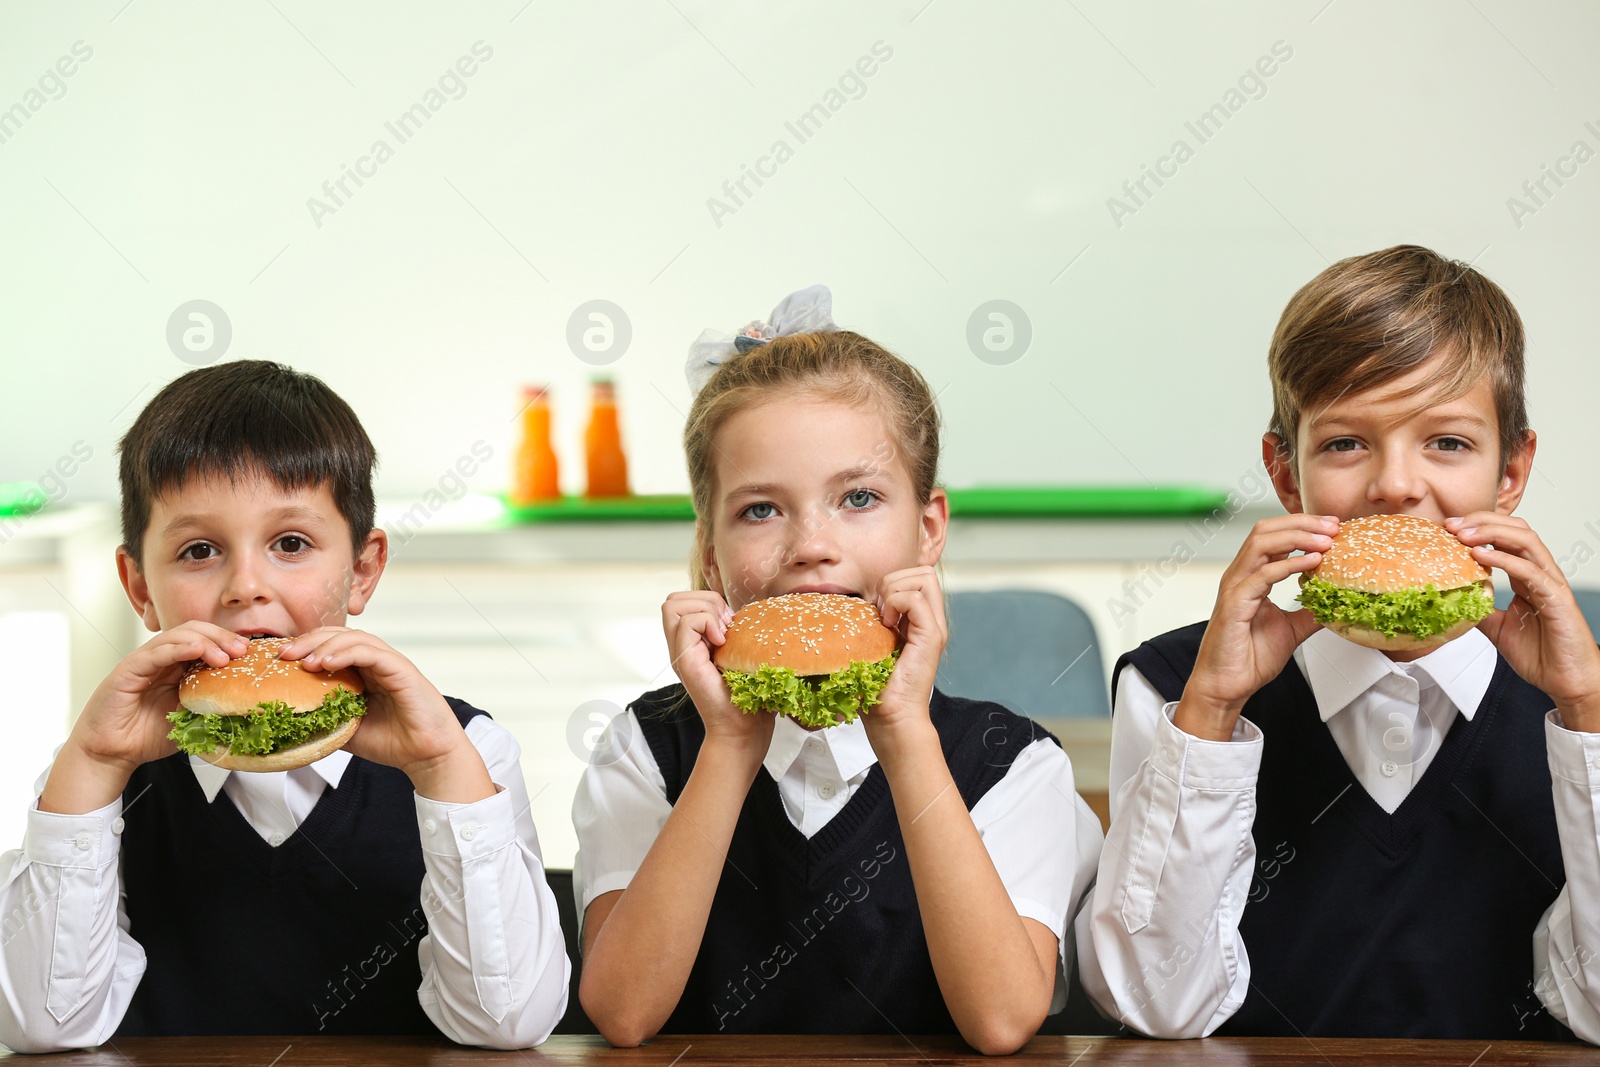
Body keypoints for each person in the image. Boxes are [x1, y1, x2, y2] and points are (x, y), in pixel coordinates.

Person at [1083, 245, 1600, 1041]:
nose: (1395, 484)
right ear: (1286, 474)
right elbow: (1156, 1004)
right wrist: (1213, 711)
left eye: (1449, 443)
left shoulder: (1583, 697)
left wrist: (1587, 714)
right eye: (1346, 443)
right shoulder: (1173, 684)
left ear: (1512, 472)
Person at [572, 287, 1103, 1054]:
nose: (811, 545)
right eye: (762, 509)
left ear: (928, 530)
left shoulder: (1015, 764)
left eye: (858, 497)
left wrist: (904, 733)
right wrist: (728, 744)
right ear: (712, 552)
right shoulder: (647, 749)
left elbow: (1000, 1019)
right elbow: (623, 1012)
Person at [0, 360, 568, 1051]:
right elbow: (42, 1027)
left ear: (363, 569)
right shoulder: (95, 775)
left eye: (290, 544)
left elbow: (508, 1022)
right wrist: (89, 762)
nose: (247, 586)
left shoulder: (467, 746)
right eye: (199, 549)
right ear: (139, 586)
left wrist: (445, 767)